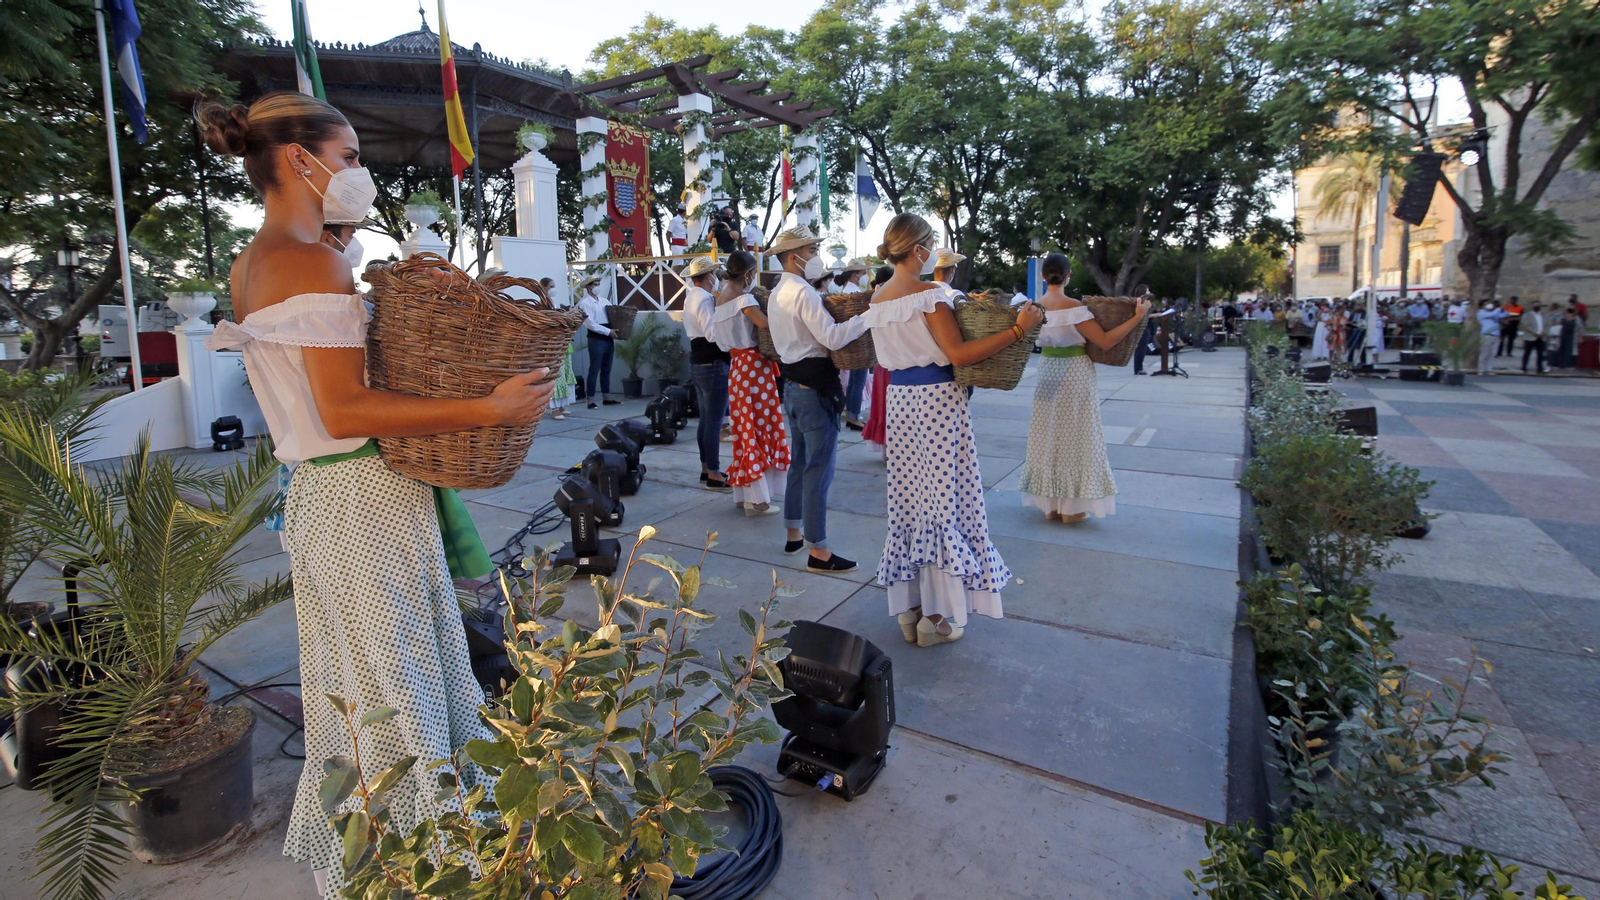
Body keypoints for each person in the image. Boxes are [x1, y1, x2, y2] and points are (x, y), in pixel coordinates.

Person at [198, 92, 553, 900]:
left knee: (361, 687)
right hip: (362, 496)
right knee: (404, 685)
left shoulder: (259, 257)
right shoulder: (310, 260)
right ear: (300, 159)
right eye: (349, 157)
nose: (358, 172)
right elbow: (345, 410)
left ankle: (378, 863)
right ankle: (436, 866)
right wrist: (486, 410)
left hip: (326, 499)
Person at [861, 213, 1042, 647]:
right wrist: (1019, 329)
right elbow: (959, 355)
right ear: (918, 249)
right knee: (946, 502)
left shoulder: (877, 298)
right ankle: (937, 617)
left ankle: (911, 608)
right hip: (938, 401)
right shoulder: (930, 296)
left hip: (900, 402)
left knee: (910, 503)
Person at [767, 226, 870, 573]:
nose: (816, 257)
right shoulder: (803, 293)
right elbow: (833, 337)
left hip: (793, 387)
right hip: (813, 391)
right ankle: (819, 551)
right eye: (811, 251)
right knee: (818, 471)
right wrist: (866, 318)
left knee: (800, 464)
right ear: (794, 257)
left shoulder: (777, 293)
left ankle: (793, 533)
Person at [1018, 252, 1147, 525]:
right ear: (1068, 276)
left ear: (1043, 276)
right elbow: (1105, 341)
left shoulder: (1032, 309)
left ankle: (1051, 505)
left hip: (1047, 371)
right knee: (1077, 436)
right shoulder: (1075, 308)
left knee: (1048, 434)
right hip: (1075, 373)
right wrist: (1137, 318)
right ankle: (1072, 507)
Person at [710, 250, 789, 515]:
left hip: (738, 367)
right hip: (755, 367)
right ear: (747, 274)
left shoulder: (721, 299)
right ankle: (759, 501)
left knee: (746, 428)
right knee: (762, 424)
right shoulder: (743, 299)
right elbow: (765, 324)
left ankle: (748, 494)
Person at [682, 256, 734, 491]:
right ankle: (713, 472)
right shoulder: (704, 299)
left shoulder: (692, 297)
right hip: (712, 363)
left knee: (706, 420)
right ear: (708, 276)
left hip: (700, 363)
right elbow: (712, 334)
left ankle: (707, 468)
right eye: (713, 274)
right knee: (713, 422)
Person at [861, 266, 894, 456]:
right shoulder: (890, 298)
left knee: (883, 405)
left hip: (882, 359)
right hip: (893, 360)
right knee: (889, 406)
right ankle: (890, 449)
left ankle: (886, 450)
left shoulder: (874, 298)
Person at [577, 275, 619, 407]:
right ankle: (591, 399)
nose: (597, 287)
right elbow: (590, 324)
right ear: (589, 287)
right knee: (594, 369)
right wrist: (608, 331)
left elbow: (614, 314)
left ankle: (607, 396)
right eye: (595, 284)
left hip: (608, 337)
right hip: (596, 338)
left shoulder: (604, 301)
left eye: (598, 284)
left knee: (606, 368)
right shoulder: (585, 303)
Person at [541, 276, 576, 420]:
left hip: (561, 341)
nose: (553, 290)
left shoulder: (553, 303)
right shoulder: (542, 304)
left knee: (564, 373)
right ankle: (554, 408)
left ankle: (561, 405)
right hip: (551, 343)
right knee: (555, 375)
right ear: (544, 288)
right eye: (551, 287)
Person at [1476, 300, 1509, 375]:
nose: (1488, 305)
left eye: (1488, 303)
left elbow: (1503, 315)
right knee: (1484, 353)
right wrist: (1499, 308)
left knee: (1492, 354)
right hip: (1487, 335)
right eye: (1486, 304)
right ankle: (1481, 369)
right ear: (1481, 306)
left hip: (1495, 335)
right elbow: (1493, 314)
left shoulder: (1494, 313)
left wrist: (1507, 307)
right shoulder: (1481, 313)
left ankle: (1489, 369)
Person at [1519, 301, 1549, 373]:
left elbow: (1548, 324)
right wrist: (1535, 333)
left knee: (1540, 354)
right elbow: (1526, 326)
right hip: (1530, 337)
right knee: (1527, 353)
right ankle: (1524, 367)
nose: (1537, 307)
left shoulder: (1544, 315)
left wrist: (1543, 332)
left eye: (1538, 305)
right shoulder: (1527, 315)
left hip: (1541, 337)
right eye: (1535, 305)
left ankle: (1539, 368)